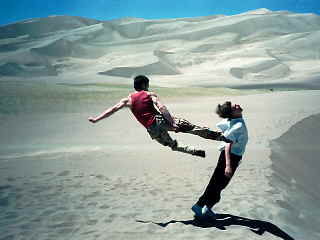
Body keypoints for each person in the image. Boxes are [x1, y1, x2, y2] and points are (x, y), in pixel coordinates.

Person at [88, 75, 229, 157]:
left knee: (171, 145)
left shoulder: (128, 100)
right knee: (192, 128)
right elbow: (162, 108)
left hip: (152, 129)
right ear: (144, 84)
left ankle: (194, 151)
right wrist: (172, 122)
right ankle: (221, 137)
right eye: (147, 84)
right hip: (160, 120)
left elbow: (112, 110)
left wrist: (96, 119)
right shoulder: (149, 94)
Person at [192, 101, 248, 219]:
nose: (237, 105)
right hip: (229, 157)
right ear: (233, 113)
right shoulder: (238, 126)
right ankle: (200, 206)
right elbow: (228, 144)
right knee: (217, 184)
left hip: (233, 157)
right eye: (234, 107)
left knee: (219, 184)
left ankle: (205, 207)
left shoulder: (234, 122)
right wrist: (228, 165)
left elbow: (225, 128)